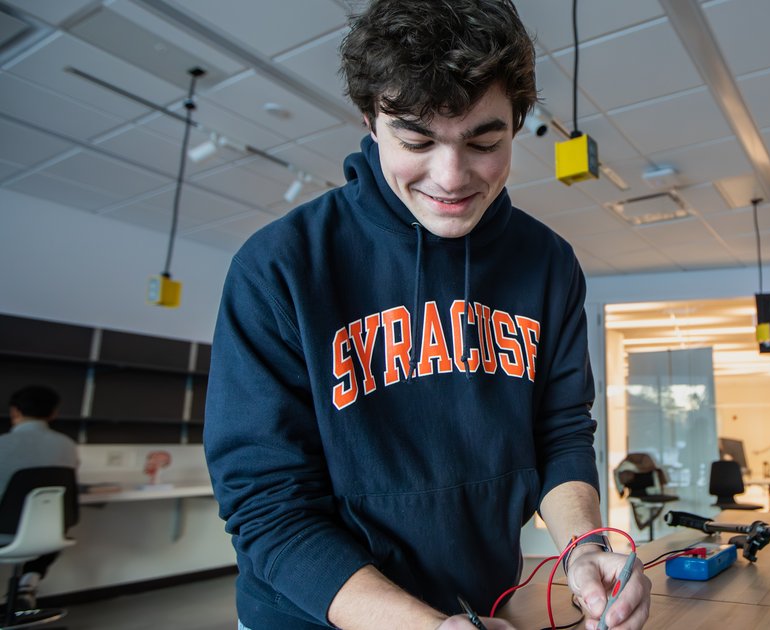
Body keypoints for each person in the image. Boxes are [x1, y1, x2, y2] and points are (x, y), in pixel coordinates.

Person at [203, 1, 651, 629]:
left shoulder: (546, 264)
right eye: (416, 140)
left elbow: (560, 435)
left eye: (484, 141)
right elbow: (268, 507)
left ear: (518, 124)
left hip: (481, 607)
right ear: (371, 120)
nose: (451, 176)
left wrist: (583, 549)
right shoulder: (279, 267)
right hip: (312, 616)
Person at [0, 385, 79, 610]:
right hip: (49, 535)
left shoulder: (3, 444)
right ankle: (28, 582)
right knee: (48, 524)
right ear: (54, 413)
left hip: (4, 534)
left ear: (15, 411)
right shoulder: (67, 445)